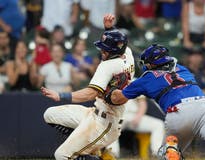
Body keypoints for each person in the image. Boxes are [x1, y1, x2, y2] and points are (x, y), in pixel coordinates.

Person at [106, 44, 205, 160]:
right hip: (204, 106)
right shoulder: (183, 69)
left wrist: (112, 89)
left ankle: (171, 150)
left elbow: (118, 98)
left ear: (151, 63)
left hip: (178, 112)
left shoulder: (146, 78)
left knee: (164, 155)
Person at [40, 14, 135, 160]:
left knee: (61, 156)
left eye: (105, 49)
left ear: (114, 52)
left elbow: (90, 94)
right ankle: (91, 148)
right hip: (95, 113)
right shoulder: (127, 54)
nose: (102, 51)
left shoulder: (107, 65)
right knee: (49, 114)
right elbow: (120, 43)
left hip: (105, 124)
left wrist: (61, 95)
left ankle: (96, 155)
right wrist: (110, 29)